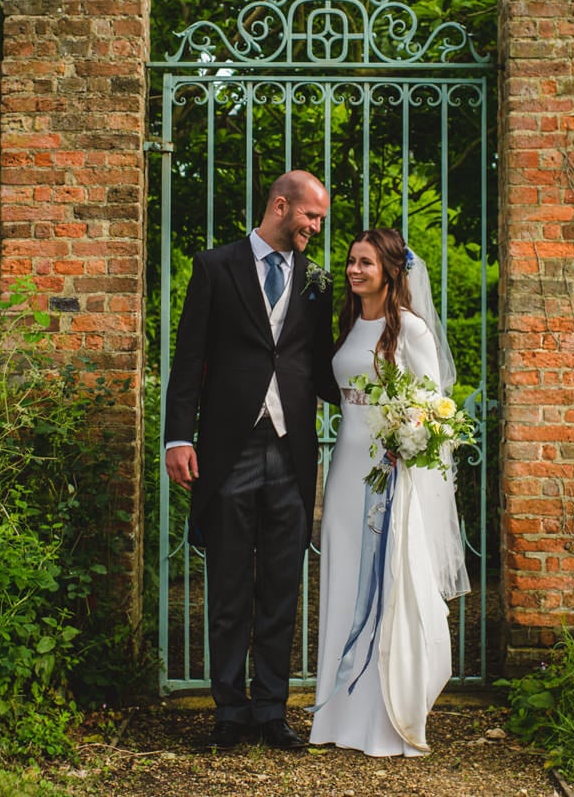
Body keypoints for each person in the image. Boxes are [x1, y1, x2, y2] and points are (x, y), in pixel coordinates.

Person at [164, 170, 341, 751]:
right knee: (229, 589)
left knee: (283, 588)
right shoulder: (216, 267)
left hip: (291, 453)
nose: (316, 227)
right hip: (227, 451)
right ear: (280, 205)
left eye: (320, 219)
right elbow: (188, 357)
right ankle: (229, 712)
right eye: (310, 216)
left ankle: (271, 709)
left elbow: (320, 367)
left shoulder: (316, 281)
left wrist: (384, 396)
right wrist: (177, 438)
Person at [309, 227, 469, 757]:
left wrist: (409, 438)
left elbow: (433, 410)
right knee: (343, 580)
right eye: (352, 262)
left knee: (388, 587)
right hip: (345, 472)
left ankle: (383, 718)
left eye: (366, 264)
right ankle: (336, 717)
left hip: (388, 476)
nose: (354, 271)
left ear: (390, 272)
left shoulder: (413, 331)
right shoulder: (350, 322)